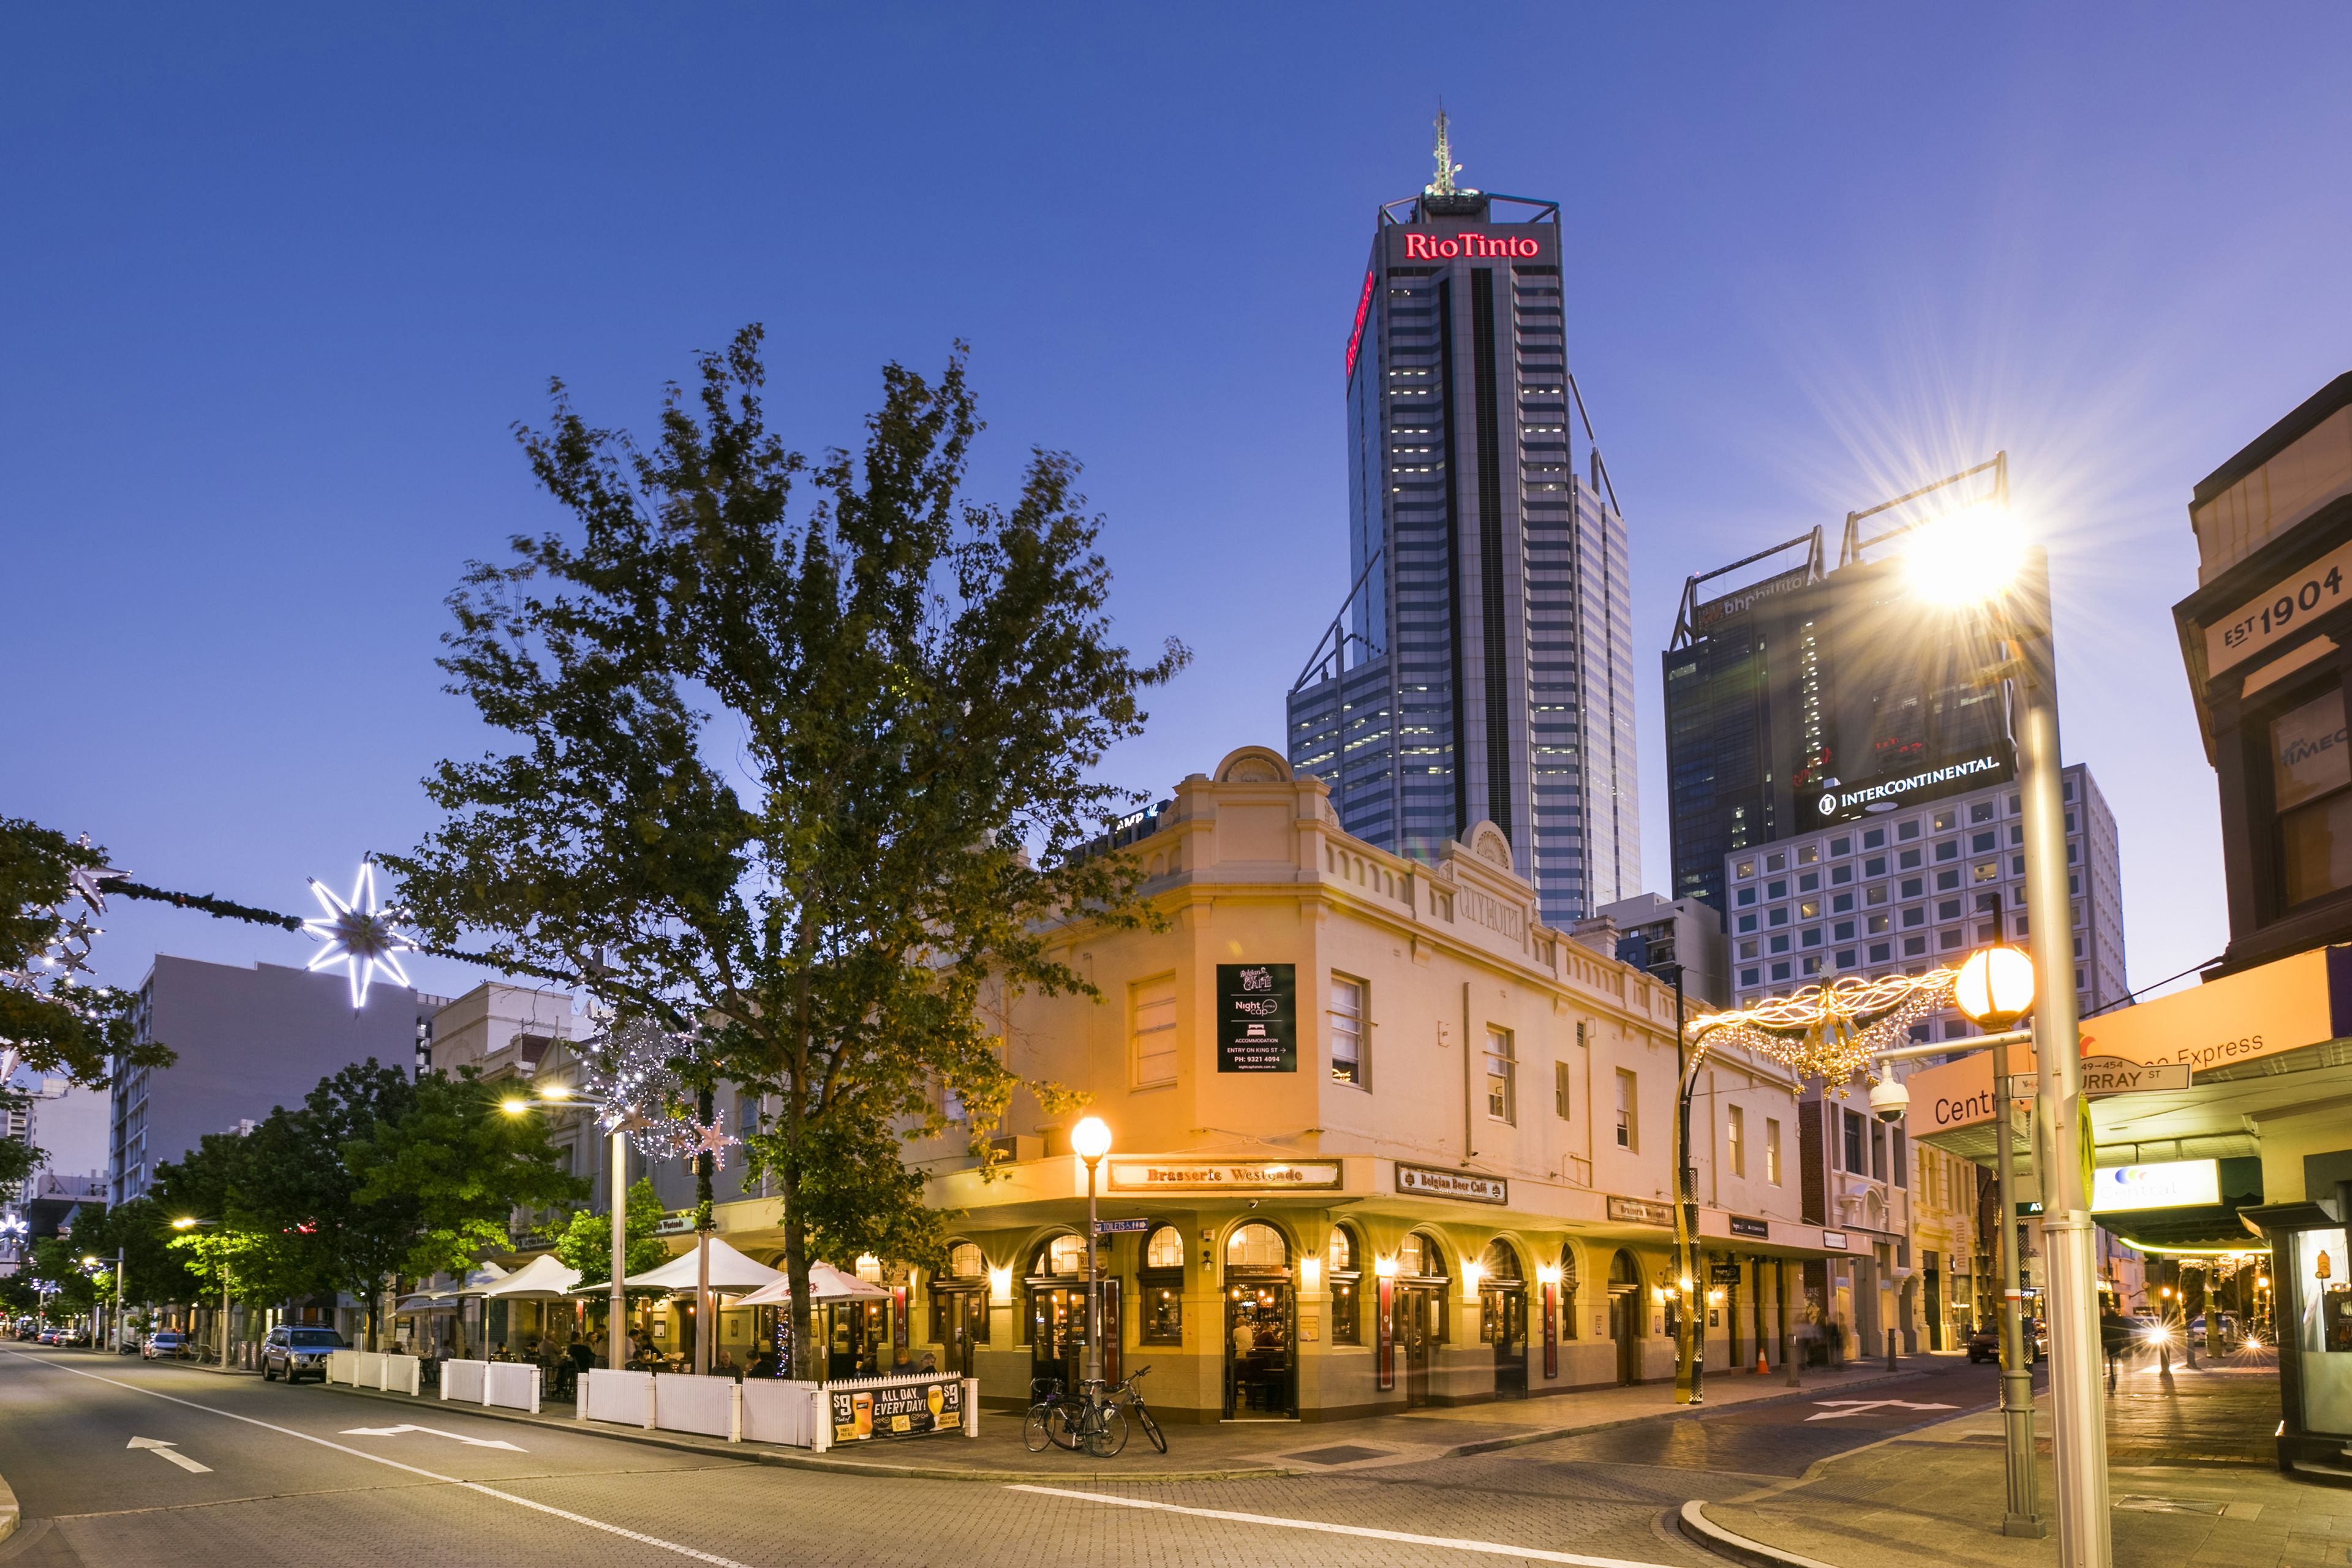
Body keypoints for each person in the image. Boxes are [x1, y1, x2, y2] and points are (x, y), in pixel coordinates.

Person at [2100, 1306, 2132, 1389]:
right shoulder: (2119, 1320)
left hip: (2108, 1341)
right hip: (2117, 1341)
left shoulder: (2105, 1320)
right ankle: (2115, 1364)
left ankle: (2112, 1368)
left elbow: (2101, 1330)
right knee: (2116, 1355)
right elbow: (2125, 1331)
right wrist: (2127, 1341)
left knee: (2110, 1355)